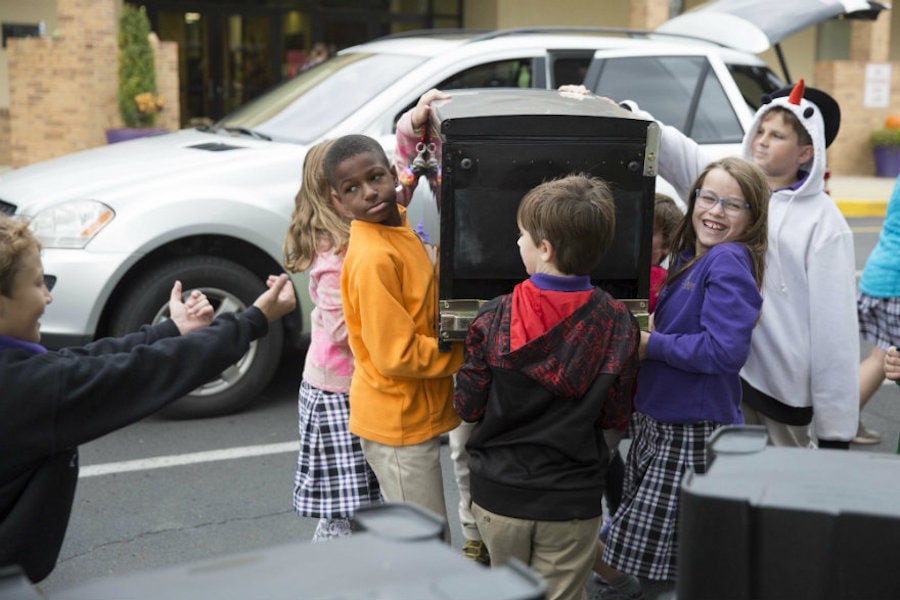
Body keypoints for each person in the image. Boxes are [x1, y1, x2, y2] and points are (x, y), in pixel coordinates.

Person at [0, 214, 296, 582]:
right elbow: (144, 372)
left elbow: (81, 363)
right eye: (36, 283)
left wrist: (172, 331)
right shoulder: (24, 389)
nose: (48, 294)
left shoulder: (17, 371)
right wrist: (253, 320)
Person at [578, 78, 857, 449]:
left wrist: (835, 430)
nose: (762, 139)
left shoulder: (826, 223)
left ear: (807, 152)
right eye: (761, 129)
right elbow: (672, 146)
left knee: (776, 495)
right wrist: (614, 110)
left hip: (778, 392)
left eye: (777, 136)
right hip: (715, 386)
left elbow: (834, 332)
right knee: (721, 495)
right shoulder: (728, 185)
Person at [454, 173, 640, 600]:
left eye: (522, 235)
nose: (517, 243)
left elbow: (467, 405)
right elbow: (615, 416)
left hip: (498, 497)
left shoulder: (493, 318)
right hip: (571, 501)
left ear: (545, 248)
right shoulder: (617, 324)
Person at [594, 157, 769, 599]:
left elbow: (725, 351)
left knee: (663, 569)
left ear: (753, 217)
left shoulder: (728, 259)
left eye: (733, 204)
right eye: (708, 197)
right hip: (665, 421)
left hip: (690, 427)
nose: (715, 211)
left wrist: (652, 344)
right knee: (659, 557)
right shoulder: (697, 257)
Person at [325, 134, 464, 537]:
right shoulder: (372, 258)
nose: (370, 193)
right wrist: (464, 350)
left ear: (392, 173)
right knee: (424, 545)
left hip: (413, 411)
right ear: (338, 202)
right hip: (396, 422)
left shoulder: (402, 224)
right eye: (352, 189)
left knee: (425, 537)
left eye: (375, 177)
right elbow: (396, 354)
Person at [395, 88, 490, 564]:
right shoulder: (441, 166)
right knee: (464, 440)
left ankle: (497, 533)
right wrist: (416, 123)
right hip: (467, 305)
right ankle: (476, 533)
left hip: (511, 305)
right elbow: (405, 164)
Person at [283, 140, 381, 541]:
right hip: (337, 394)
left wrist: (413, 126)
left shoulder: (356, 232)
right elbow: (342, 331)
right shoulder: (334, 254)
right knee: (348, 512)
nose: (367, 193)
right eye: (350, 186)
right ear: (332, 195)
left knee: (360, 508)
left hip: (347, 389)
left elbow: (401, 183)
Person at [853, 173, 900, 444]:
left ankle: (843, 424)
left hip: (880, 275)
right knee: (884, 360)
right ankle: (841, 426)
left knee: (880, 359)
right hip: (894, 283)